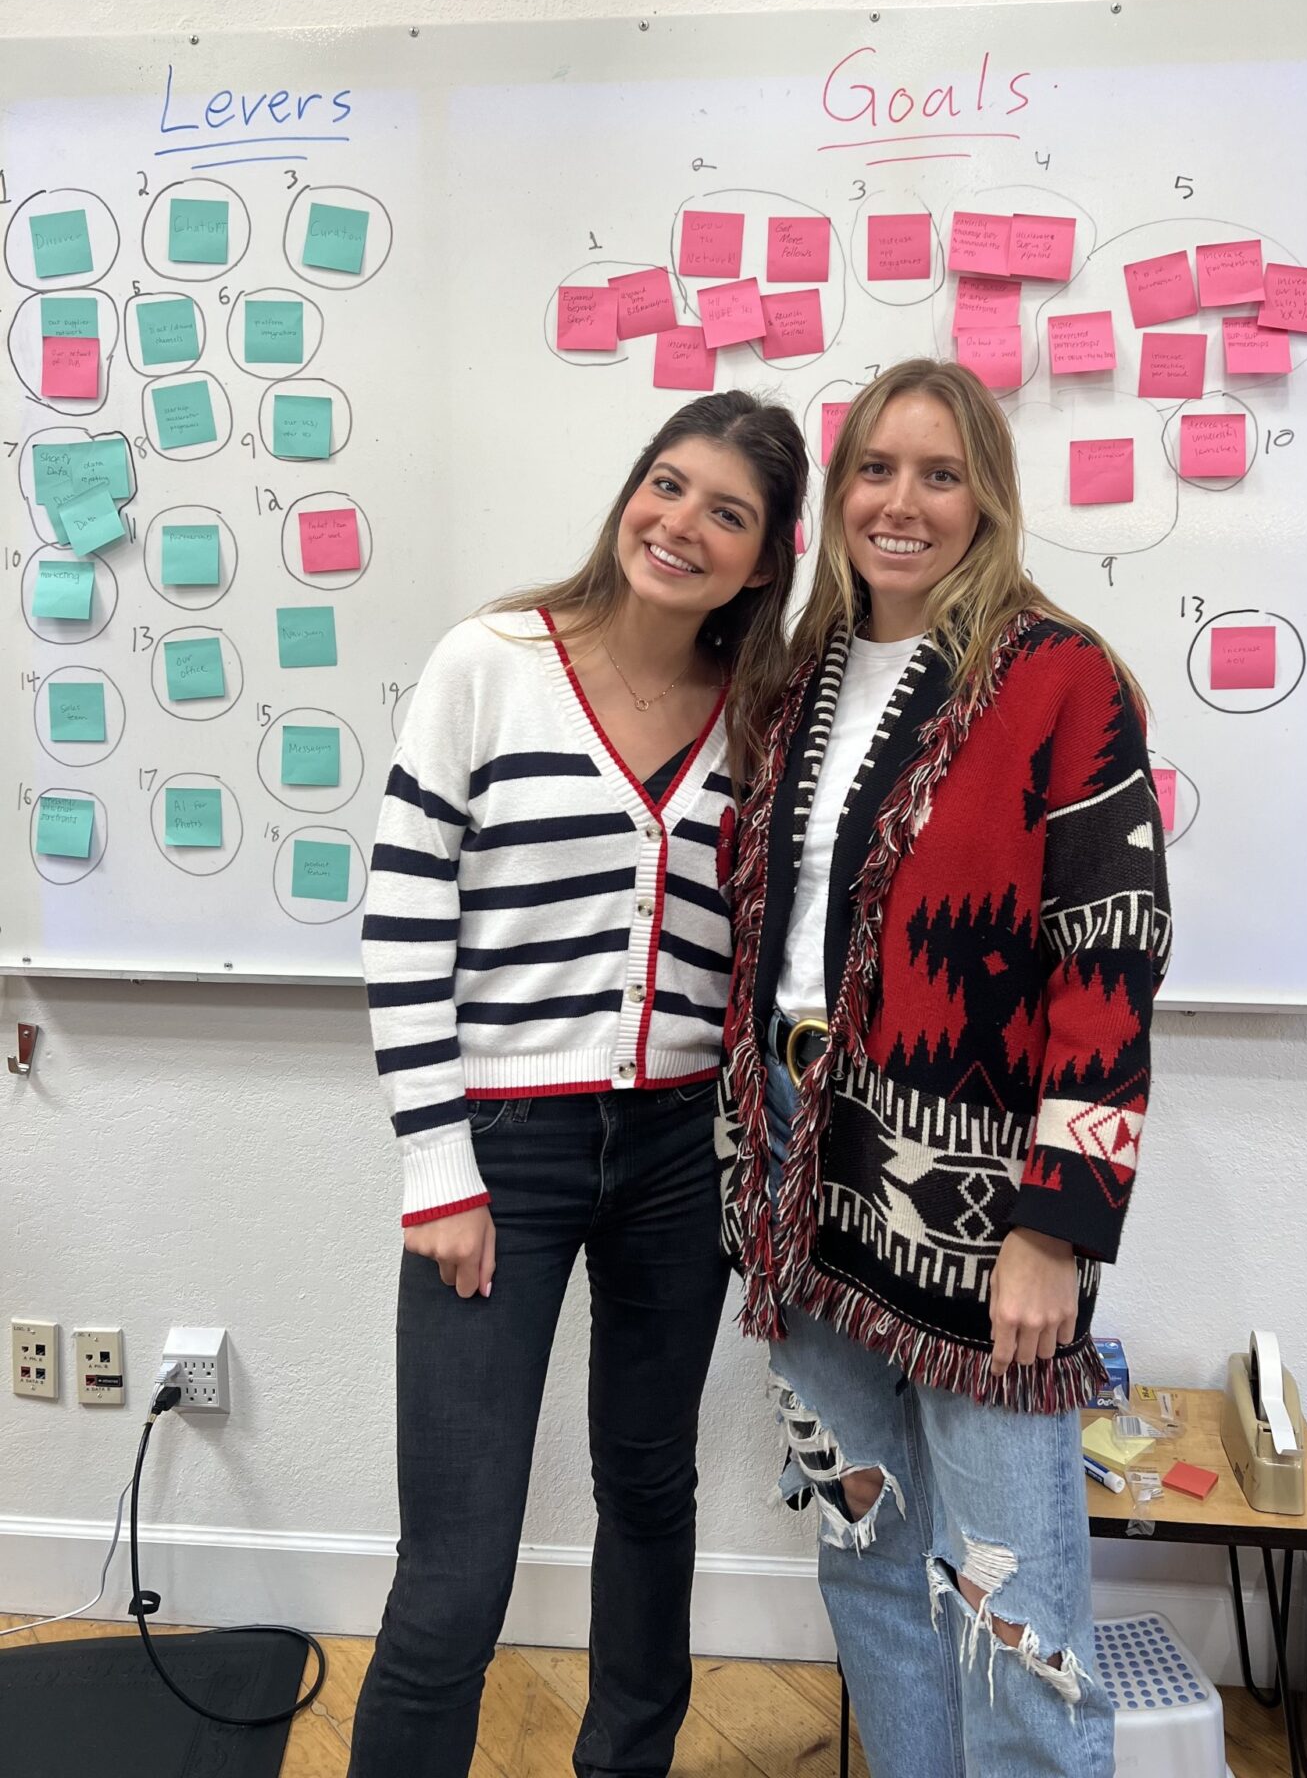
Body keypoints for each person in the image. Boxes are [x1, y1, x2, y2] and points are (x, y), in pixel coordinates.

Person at [716, 359, 1171, 1777]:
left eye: (939, 473)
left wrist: (1056, 1223)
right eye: (874, 470)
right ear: (836, 495)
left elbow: (1111, 953)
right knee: (865, 1553)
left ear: (988, 500)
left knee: (1009, 1605)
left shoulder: (1058, 680)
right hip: (800, 1164)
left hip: (976, 1205)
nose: (900, 504)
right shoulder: (793, 683)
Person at [349, 391, 808, 1778]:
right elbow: (402, 911)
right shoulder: (490, 658)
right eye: (666, 486)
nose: (681, 523)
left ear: (767, 558)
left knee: (650, 1494)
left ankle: (628, 1761)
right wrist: (437, 1165)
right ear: (630, 493)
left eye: (726, 512)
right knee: (458, 1564)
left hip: (680, 1151)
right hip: (503, 1149)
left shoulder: (769, 715)